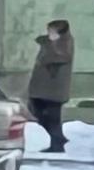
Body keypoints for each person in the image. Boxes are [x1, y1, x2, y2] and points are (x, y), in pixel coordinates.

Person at [27, 18, 74, 152]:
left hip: (54, 91)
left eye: (51, 30)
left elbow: (60, 57)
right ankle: (58, 138)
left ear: (60, 32)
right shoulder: (51, 43)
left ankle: (57, 143)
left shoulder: (64, 44)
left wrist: (49, 44)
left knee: (52, 118)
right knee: (37, 114)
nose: (49, 33)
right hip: (41, 89)